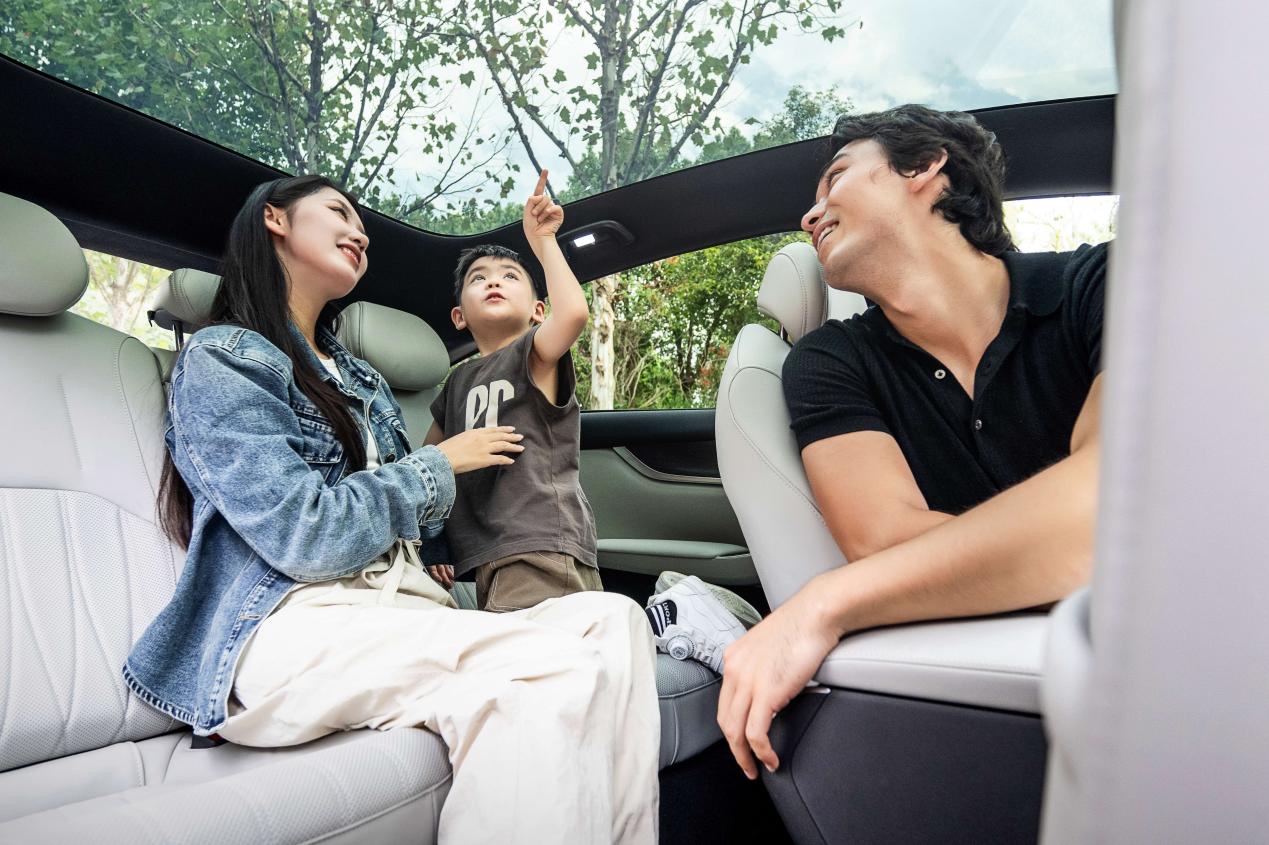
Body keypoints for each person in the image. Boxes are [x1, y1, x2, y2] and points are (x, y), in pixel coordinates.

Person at [123, 174, 660, 844]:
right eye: (338, 212)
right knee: (545, 669)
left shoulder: (362, 380)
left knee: (612, 621)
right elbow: (304, 534)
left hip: (396, 609)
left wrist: (446, 527)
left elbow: (417, 515)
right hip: (294, 621)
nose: (359, 232)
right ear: (275, 220)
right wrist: (439, 463)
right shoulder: (225, 358)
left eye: (361, 225)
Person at [717, 104, 1107, 779]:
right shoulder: (828, 362)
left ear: (925, 167)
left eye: (836, 178)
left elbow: (1121, 507)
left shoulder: (1100, 284)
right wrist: (1062, 544)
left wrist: (825, 601)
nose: (809, 215)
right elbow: (881, 540)